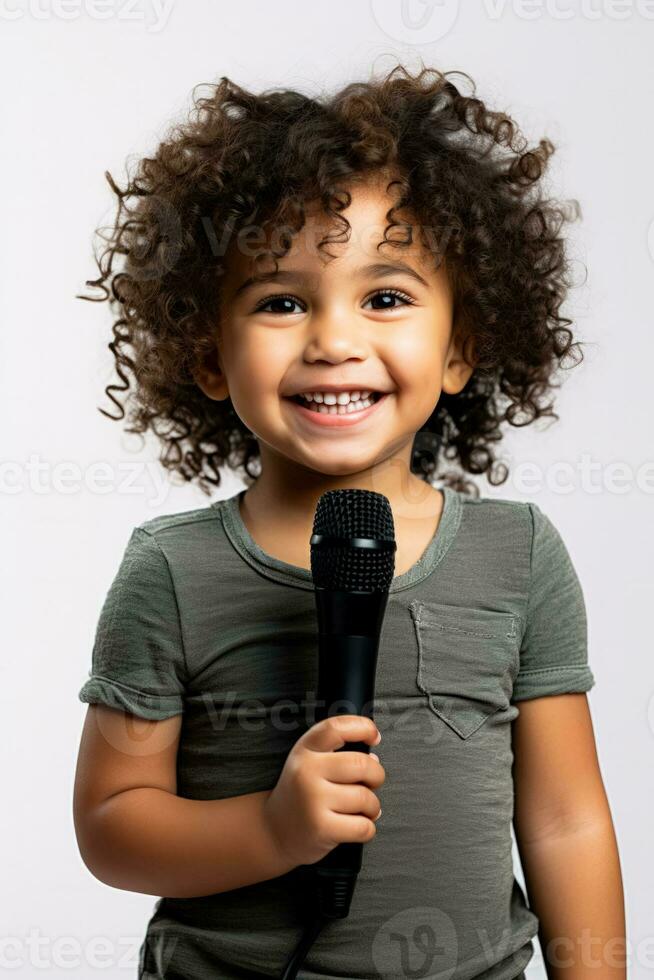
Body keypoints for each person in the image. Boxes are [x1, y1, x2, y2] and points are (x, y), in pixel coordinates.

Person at [73, 63, 626, 979]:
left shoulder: (518, 554)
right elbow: (111, 824)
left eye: (385, 296)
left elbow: (566, 817)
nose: (333, 339)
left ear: (459, 350)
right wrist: (270, 827)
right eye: (282, 301)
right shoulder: (173, 570)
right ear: (209, 357)